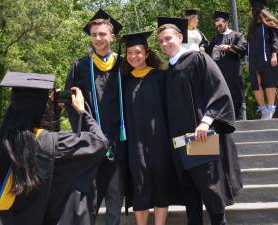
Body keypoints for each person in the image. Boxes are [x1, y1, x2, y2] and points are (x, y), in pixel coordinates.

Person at [0, 71, 109, 225]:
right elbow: (100, 142)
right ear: (40, 107)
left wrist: (53, 112)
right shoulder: (52, 144)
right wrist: (82, 111)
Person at [157, 17, 242, 225]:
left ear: (179, 37)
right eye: (160, 41)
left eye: (168, 38)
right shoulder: (168, 71)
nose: (164, 43)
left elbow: (218, 89)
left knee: (210, 190)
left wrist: (206, 121)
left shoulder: (198, 59)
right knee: (189, 192)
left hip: (200, 137)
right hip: (180, 141)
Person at [64, 9, 126, 225]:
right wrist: (84, 135)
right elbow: (71, 105)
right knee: (88, 201)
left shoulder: (124, 65)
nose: (97, 39)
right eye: (94, 35)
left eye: (102, 34)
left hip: (119, 143)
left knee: (115, 199)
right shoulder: (80, 66)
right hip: (91, 143)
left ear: (112, 36)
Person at [120, 31, 182, 225]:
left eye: (137, 52)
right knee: (139, 186)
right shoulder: (124, 81)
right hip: (135, 143)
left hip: (160, 140)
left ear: (146, 54)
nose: (133, 56)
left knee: (161, 183)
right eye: (129, 53)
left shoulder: (161, 77)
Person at [206, 11, 247, 120]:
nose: (218, 27)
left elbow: (243, 49)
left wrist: (228, 47)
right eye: (216, 25)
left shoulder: (237, 35)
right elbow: (208, 52)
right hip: (220, 73)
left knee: (236, 95)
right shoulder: (215, 38)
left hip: (233, 72)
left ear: (226, 23)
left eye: (220, 25)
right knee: (221, 95)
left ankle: (239, 120)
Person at [248, 0, 278, 119]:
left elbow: (275, 40)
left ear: (255, 11)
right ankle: (263, 109)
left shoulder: (269, 24)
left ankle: (270, 108)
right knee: (256, 83)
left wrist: (274, 54)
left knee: (270, 81)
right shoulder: (252, 26)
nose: (249, 11)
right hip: (254, 59)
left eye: (251, 9)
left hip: (268, 57)